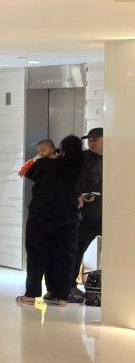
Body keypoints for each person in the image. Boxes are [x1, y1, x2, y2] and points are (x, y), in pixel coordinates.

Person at [19, 134, 83, 306]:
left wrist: (40, 157)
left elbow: (27, 171)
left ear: (61, 149)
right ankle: (62, 296)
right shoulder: (79, 166)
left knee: (36, 254)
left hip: (41, 216)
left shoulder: (44, 164)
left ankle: (31, 294)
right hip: (68, 217)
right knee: (65, 256)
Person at [73, 127, 103, 300]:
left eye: (95, 140)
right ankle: (70, 285)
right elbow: (73, 181)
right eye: (90, 140)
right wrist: (81, 194)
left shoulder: (118, 157)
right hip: (88, 213)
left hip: (112, 213)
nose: (91, 143)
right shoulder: (83, 158)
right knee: (77, 248)